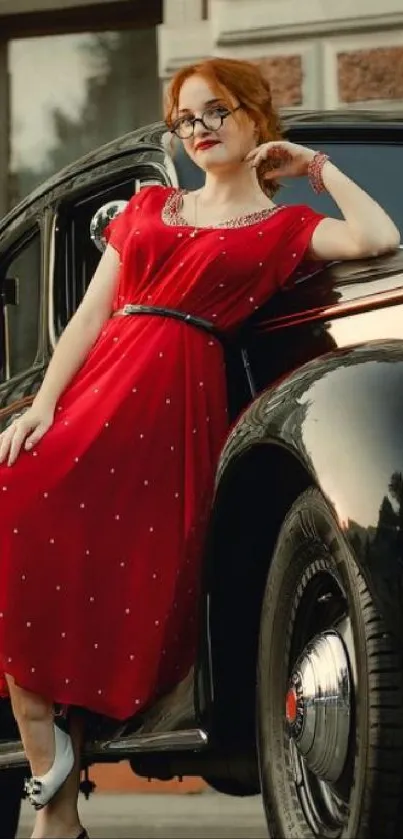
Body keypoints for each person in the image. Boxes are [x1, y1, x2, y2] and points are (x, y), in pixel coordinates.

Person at [0, 56, 399, 839]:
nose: (199, 129)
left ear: (253, 118)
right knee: (18, 511)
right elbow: (87, 316)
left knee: (121, 590)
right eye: (185, 119)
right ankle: (54, 798)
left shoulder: (284, 228)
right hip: (97, 391)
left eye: (216, 111)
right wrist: (41, 406)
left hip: (174, 408)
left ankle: (61, 807)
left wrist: (313, 165)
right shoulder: (149, 204)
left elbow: (381, 236)